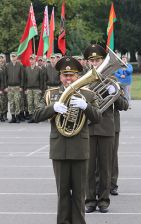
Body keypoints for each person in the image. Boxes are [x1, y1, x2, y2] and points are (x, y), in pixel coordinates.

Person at [33, 56, 101, 224]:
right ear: (60, 76)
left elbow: (98, 118)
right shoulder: (51, 94)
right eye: (65, 75)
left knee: (79, 194)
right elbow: (36, 115)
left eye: (72, 75)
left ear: (78, 76)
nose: (68, 78)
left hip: (79, 149)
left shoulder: (88, 95)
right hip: (59, 149)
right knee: (62, 194)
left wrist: (86, 106)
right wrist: (52, 108)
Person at [83, 44, 116, 213]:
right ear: (88, 63)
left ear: (103, 61)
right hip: (87, 128)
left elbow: (124, 105)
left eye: (98, 60)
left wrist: (112, 92)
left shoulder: (111, 79)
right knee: (89, 167)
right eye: (92, 60)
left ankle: (103, 200)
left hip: (105, 128)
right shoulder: (81, 80)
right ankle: (89, 200)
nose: (95, 63)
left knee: (105, 167)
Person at [110, 89, 129, 196]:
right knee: (94, 159)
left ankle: (112, 184)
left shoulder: (115, 86)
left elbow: (124, 106)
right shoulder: (89, 86)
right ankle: (96, 185)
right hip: (93, 126)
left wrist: (115, 94)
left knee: (112, 157)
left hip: (112, 126)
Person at [4, 52, 24, 123]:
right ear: (10, 57)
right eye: (12, 57)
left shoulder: (20, 65)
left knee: (17, 102)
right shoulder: (7, 65)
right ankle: (13, 117)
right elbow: (5, 77)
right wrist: (6, 86)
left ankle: (17, 117)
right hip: (9, 87)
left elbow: (22, 76)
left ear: (16, 57)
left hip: (17, 87)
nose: (13, 58)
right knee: (11, 102)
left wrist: (21, 86)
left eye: (14, 57)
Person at [24, 55, 44, 123]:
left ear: (35, 60)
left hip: (36, 89)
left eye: (33, 60)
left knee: (36, 104)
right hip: (29, 89)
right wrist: (25, 89)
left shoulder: (39, 69)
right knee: (30, 103)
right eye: (30, 60)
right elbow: (25, 80)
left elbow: (41, 80)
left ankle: (36, 117)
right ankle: (31, 117)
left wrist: (41, 89)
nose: (31, 61)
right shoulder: (27, 69)